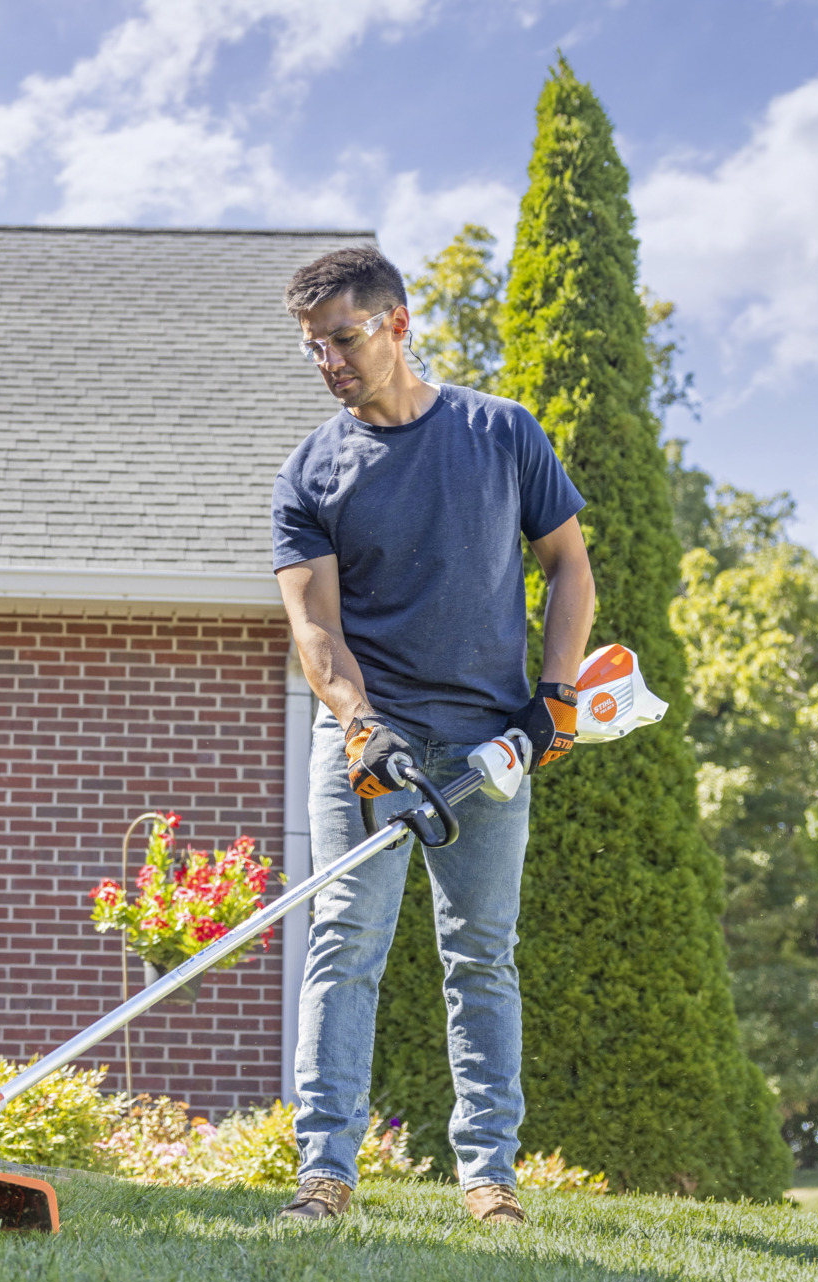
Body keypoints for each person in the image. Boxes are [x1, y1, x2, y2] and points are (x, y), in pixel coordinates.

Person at [271, 246, 595, 1226]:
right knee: (345, 941)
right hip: (374, 743)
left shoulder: (501, 432)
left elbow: (569, 567)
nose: (328, 360)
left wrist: (556, 695)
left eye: (343, 337)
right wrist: (362, 727)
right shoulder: (313, 469)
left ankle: (490, 1175)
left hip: (492, 740)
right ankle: (324, 1172)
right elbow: (314, 627)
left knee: (482, 950)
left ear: (398, 323)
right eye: (313, 347)